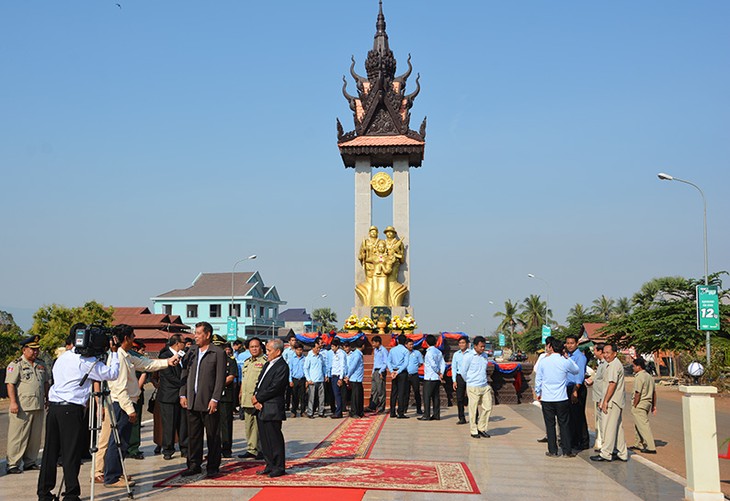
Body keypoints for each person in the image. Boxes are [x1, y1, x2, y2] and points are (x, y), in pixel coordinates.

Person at [37, 324, 121, 501]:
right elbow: (112, 374)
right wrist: (114, 353)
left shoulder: (63, 357)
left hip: (54, 408)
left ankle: (44, 493)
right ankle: (71, 494)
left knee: (50, 453)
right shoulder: (87, 362)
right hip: (71, 410)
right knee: (71, 453)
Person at [104, 325, 176, 488]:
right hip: (122, 405)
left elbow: (146, 363)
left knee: (122, 442)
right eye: (132, 336)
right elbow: (120, 388)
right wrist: (130, 410)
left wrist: (167, 362)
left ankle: (116, 472)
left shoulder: (125, 355)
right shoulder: (118, 359)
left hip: (126, 403)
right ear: (126, 339)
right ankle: (112, 477)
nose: (134, 338)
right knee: (117, 442)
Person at [179, 321, 227, 478]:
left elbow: (220, 378)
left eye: (198, 333)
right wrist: (183, 394)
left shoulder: (217, 352)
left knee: (212, 435)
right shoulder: (191, 351)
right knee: (193, 435)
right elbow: (184, 374)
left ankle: (213, 466)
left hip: (208, 401)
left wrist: (215, 399)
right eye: (195, 333)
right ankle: (194, 464)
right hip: (192, 400)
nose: (195, 336)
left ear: (207, 335)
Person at [5, 335, 49, 474]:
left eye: (37, 350)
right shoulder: (16, 364)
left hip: (38, 404)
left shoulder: (41, 364)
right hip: (22, 405)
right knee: (18, 436)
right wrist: (13, 402)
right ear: (24, 350)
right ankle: (13, 463)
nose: (35, 352)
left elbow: (46, 382)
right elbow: (10, 384)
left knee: (35, 437)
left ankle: (30, 462)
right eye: (32, 350)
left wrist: (47, 397)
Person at [535, 338, 580, 457]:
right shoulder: (564, 361)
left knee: (550, 425)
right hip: (561, 398)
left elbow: (538, 378)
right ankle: (567, 451)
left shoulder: (544, 361)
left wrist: (538, 392)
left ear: (551, 347)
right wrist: (567, 357)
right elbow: (576, 370)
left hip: (547, 398)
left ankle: (552, 450)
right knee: (564, 424)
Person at [253, 338, 289, 478]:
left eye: (269, 350)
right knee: (264, 438)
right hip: (261, 406)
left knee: (274, 438)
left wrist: (258, 398)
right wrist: (255, 397)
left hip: (272, 406)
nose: (266, 353)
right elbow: (260, 382)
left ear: (278, 351)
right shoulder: (267, 364)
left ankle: (279, 466)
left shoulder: (282, 366)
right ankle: (269, 464)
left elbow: (275, 387)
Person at [591, 344, 628, 462]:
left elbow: (612, 384)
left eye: (608, 353)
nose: (606, 355)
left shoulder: (613, 365)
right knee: (617, 427)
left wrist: (605, 401)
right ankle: (622, 452)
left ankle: (606, 453)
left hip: (612, 401)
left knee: (608, 427)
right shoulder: (612, 364)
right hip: (615, 400)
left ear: (615, 353)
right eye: (605, 353)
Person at [157, 334, 188, 460]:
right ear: (177, 343)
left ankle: (185, 448)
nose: (185, 345)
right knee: (169, 424)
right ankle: (168, 450)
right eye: (183, 342)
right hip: (168, 396)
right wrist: (184, 384)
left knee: (183, 423)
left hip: (182, 395)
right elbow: (168, 376)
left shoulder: (183, 356)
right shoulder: (164, 356)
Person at [238, 337, 266, 460]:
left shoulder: (265, 361)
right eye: (251, 347)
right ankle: (251, 448)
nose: (254, 349)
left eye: (256, 346)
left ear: (261, 347)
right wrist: (240, 392)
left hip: (258, 399)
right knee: (248, 425)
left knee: (259, 427)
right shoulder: (247, 362)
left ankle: (260, 449)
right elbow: (244, 380)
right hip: (246, 398)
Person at [460, 336, 493, 439]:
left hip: (484, 385)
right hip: (473, 386)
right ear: (475, 346)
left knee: (488, 407)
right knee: (473, 409)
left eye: (484, 347)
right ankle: (473, 430)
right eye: (481, 347)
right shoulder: (468, 356)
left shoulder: (484, 356)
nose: (483, 349)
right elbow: (463, 371)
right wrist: (469, 381)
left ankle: (481, 428)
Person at [213, 337, 238, 458]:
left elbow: (231, 376)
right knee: (213, 424)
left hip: (225, 395)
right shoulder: (209, 360)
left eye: (219, 347)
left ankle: (226, 448)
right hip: (211, 396)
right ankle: (214, 448)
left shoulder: (230, 360)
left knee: (226, 423)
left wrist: (218, 384)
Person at [565, 335, 589, 451]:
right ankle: (574, 440)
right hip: (569, 387)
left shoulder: (580, 357)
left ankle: (583, 441)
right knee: (571, 416)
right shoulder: (568, 356)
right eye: (568, 343)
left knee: (578, 416)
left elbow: (579, 376)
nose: (569, 345)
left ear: (577, 344)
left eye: (571, 343)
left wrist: (575, 391)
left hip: (577, 388)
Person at [629, 357, 657, 454]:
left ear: (638, 366)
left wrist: (635, 404)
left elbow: (638, 393)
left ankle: (651, 446)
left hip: (640, 403)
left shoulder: (639, 376)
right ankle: (638, 443)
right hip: (647, 403)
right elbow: (654, 393)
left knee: (643, 425)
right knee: (638, 424)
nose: (633, 368)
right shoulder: (649, 376)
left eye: (634, 366)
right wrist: (653, 405)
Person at [585, 343, 606, 451]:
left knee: (602, 422)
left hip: (601, 398)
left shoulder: (606, 364)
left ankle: (602, 443)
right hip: (598, 396)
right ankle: (599, 442)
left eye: (595, 350)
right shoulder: (601, 363)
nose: (594, 353)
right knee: (598, 421)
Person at [421, 335, 445, 421]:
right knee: (435, 397)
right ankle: (436, 414)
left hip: (430, 377)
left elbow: (433, 364)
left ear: (426, 343)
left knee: (427, 396)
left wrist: (438, 371)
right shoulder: (438, 351)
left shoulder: (429, 353)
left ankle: (426, 414)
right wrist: (441, 372)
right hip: (436, 377)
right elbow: (443, 363)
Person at [388, 334, 410, 418]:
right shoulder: (405, 351)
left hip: (394, 371)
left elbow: (388, 361)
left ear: (397, 341)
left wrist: (392, 371)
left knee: (394, 392)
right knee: (401, 393)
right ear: (405, 342)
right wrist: (399, 371)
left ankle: (392, 411)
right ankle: (400, 412)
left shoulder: (392, 350)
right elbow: (406, 363)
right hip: (402, 372)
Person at [451, 336, 471, 425]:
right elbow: (454, 368)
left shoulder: (471, 353)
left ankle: (475, 416)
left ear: (467, 344)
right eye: (460, 343)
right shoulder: (456, 354)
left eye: (463, 343)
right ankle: (461, 417)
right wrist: (454, 380)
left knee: (472, 398)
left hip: (470, 377)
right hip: (459, 377)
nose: (461, 345)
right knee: (459, 398)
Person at [304, 342, 327, 418]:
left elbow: (324, 366)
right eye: (317, 348)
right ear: (313, 348)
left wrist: (325, 375)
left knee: (321, 397)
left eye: (319, 348)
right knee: (311, 398)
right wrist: (308, 379)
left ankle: (321, 411)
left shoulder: (321, 356)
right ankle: (310, 412)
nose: (318, 349)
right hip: (313, 380)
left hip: (320, 379)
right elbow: (306, 368)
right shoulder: (309, 357)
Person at [367, 335, 387, 414]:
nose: (373, 345)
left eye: (374, 343)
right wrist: (372, 372)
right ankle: (373, 406)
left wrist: (381, 371)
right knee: (374, 390)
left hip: (380, 371)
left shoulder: (384, 350)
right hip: (375, 371)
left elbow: (386, 362)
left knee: (380, 390)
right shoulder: (375, 350)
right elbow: (375, 362)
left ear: (378, 342)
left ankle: (381, 407)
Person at [345, 339, 365, 418]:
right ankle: (354, 412)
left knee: (359, 395)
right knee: (355, 397)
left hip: (358, 378)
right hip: (355, 378)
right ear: (362, 346)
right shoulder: (357, 354)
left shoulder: (357, 353)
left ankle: (359, 411)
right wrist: (348, 376)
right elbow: (352, 366)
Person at [329, 339, 347, 419]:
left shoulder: (341, 354)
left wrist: (340, 378)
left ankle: (339, 412)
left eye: (333, 346)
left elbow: (342, 366)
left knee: (337, 394)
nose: (332, 348)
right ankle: (337, 411)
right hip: (333, 375)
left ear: (337, 346)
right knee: (335, 395)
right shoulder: (334, 354)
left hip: (338, 376)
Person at [405, 339, 423, 415]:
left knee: (416, 391)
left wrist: (414, 367)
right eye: (410, 344)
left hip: (414, 375)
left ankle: (419, 409)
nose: (411, 346)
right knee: (406, 392)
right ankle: (404, 408)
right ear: (406, 345)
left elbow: (421, 363)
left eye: (412, 344)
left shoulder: (417, 353)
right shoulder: (404, 353)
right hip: (406, 374)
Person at [288, 342, 306, 417]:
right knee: (294, 396)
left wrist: (307, 380)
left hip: (302, 379)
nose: (299, 351)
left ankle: (303, 411)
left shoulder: (305, 359)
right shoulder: (292, 359)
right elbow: (290, 370)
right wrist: (290, 380)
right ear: (295, 350)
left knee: (303, 397)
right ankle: (293, 411)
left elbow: (306, 369)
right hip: (294, 379)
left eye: (301, 350)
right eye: (298, 350)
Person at [282, 334, 297, 412]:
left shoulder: (297, 350)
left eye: (295, 340)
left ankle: (296, 405)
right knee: (287, 390)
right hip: (288, 372)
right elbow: (284, 362)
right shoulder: (286, 351)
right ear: (289, 342)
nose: (294, 342)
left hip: (295, 372)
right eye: (292, 340)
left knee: (295, 391)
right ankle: (286, 405)